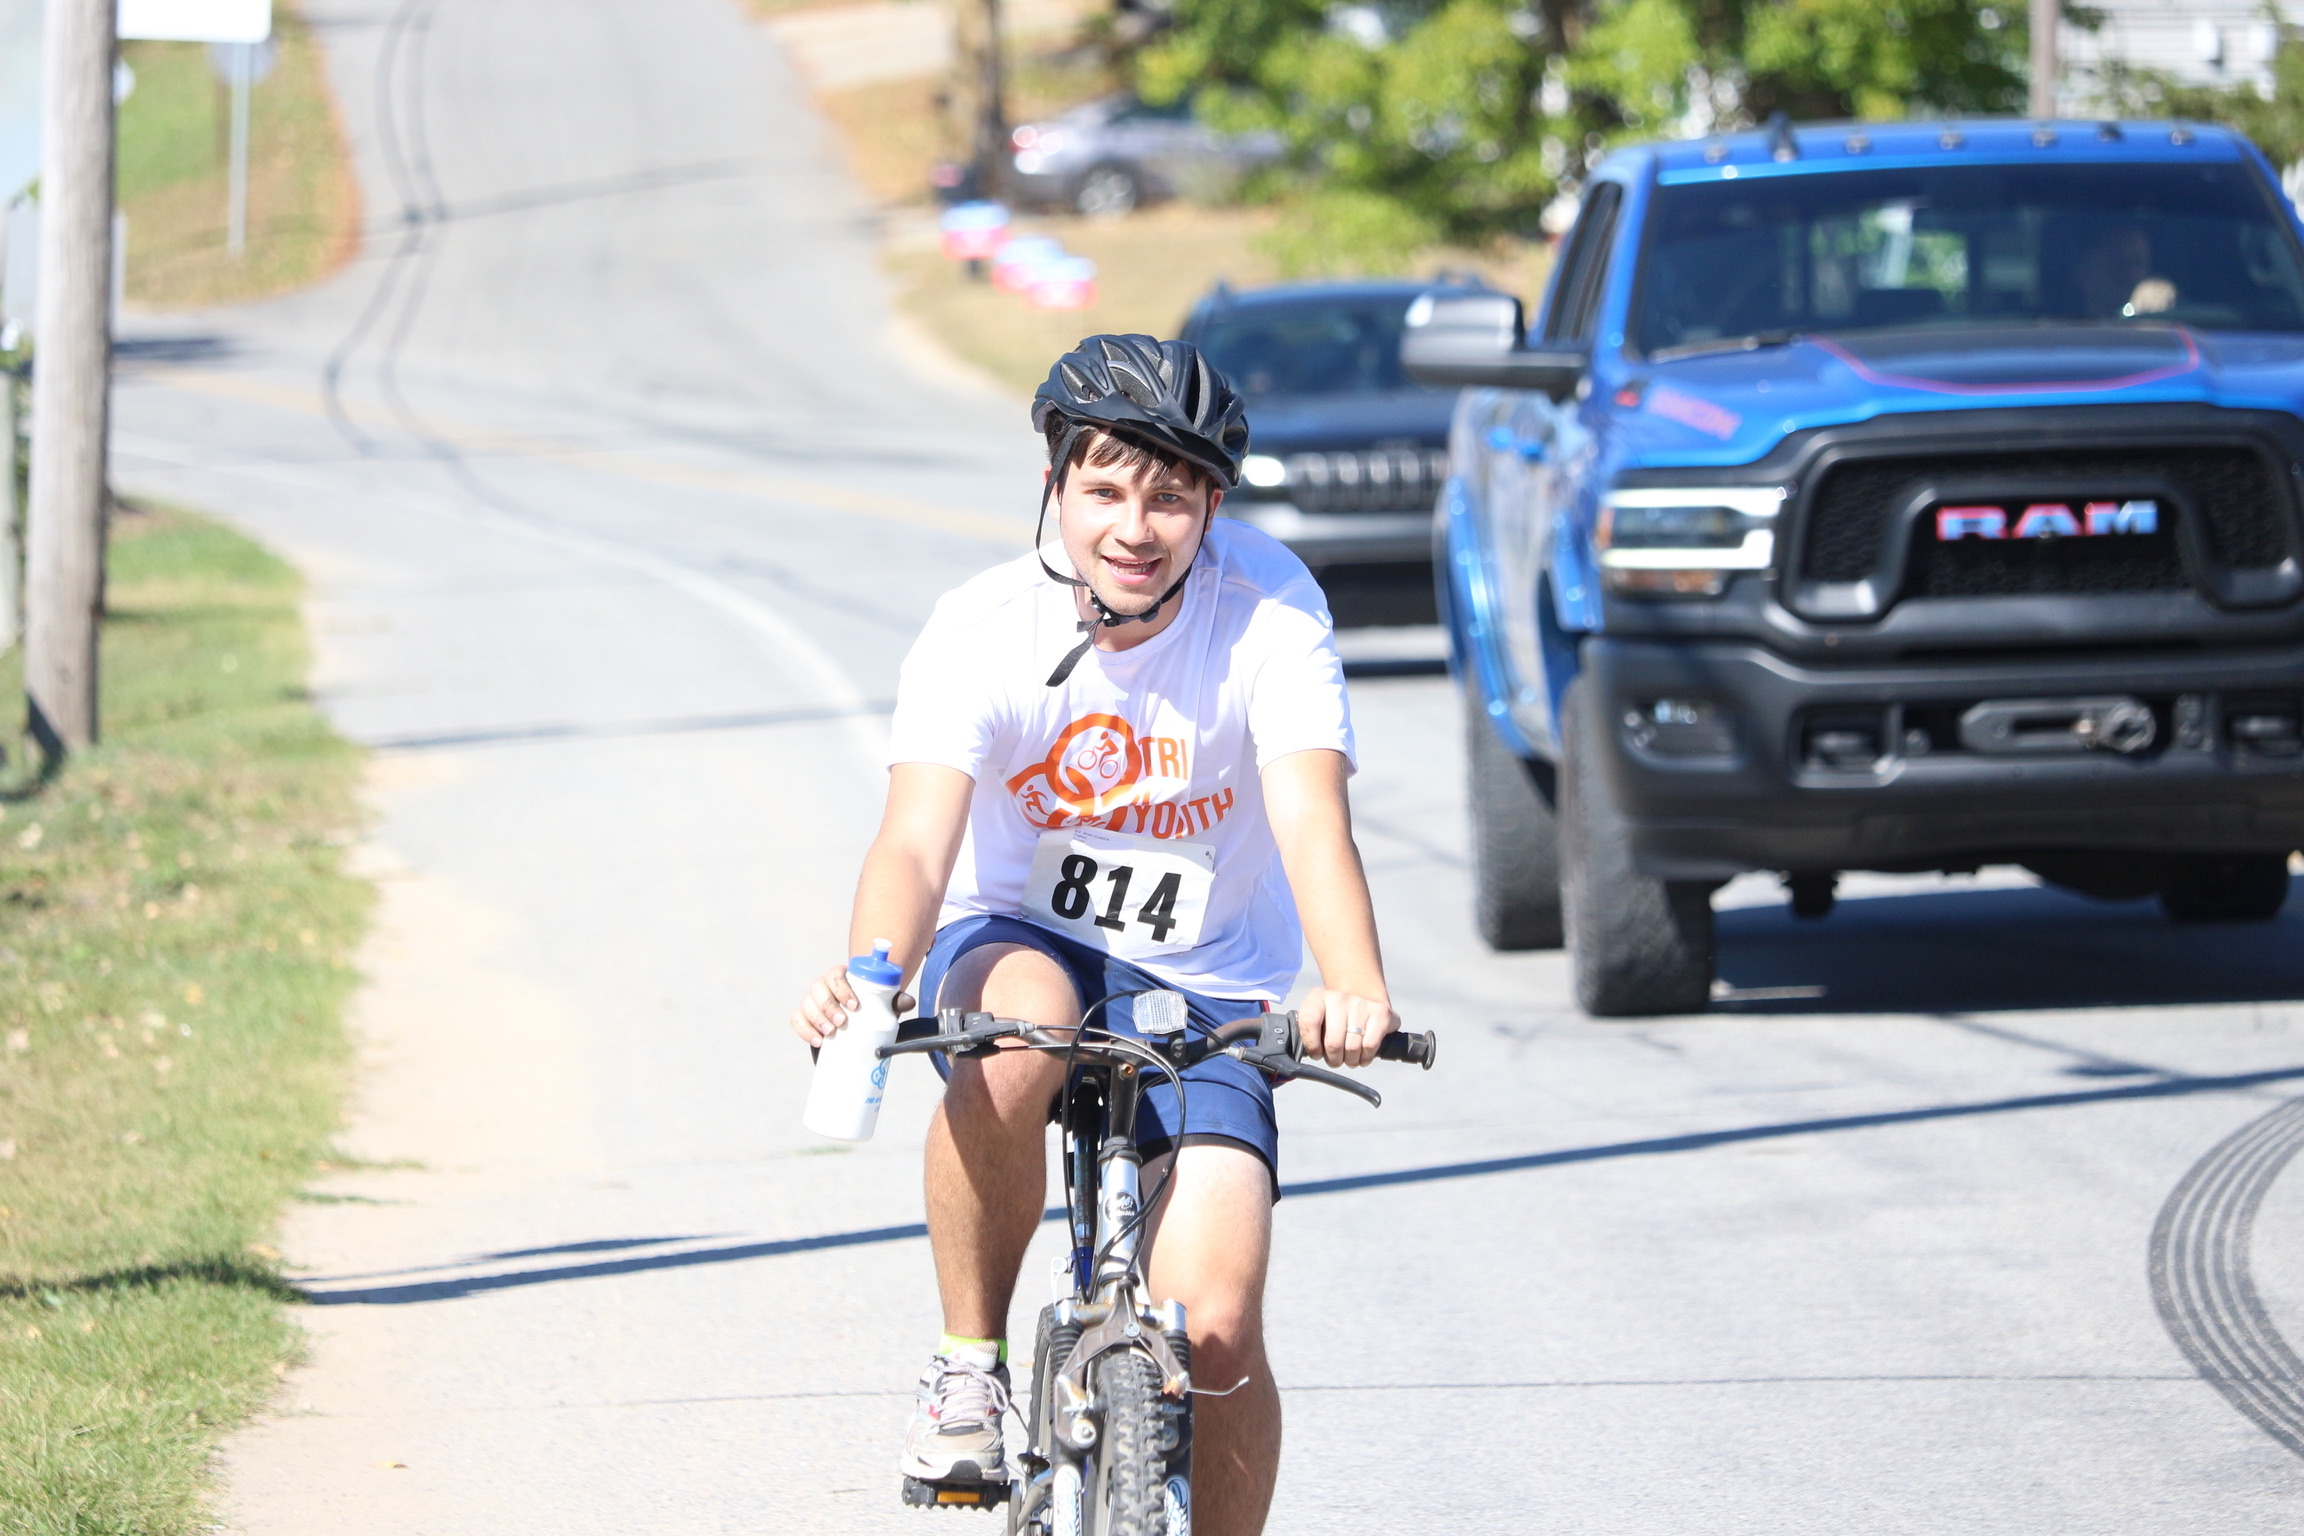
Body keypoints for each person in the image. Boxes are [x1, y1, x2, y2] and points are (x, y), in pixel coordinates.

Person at [788, 333, 1399, 1536]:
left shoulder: (1270, 608)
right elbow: (914, 842)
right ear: (1055, 485)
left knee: (1215, 1326)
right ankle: (968, 1365)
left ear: (1213, 506)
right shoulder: (982, 626)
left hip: (1208, 978)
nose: (1135, 527)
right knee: (1023, 1032)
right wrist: (873, 979)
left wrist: (1353, 982)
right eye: (1105, 490)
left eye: (1172, 497)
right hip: (1021, 935)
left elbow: (1309, 815)